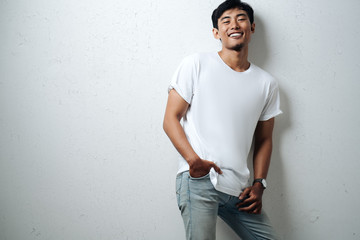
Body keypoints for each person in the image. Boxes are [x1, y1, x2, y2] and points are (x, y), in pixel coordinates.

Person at [163, 0, 282, 239]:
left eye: (241, 18)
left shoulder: (266, 83)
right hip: (199, 179)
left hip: (240, 190)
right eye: (225, 20)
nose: (234, 24)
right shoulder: (196, 64)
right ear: (216, 32)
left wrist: (259, 184)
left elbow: (265, 139)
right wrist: (193, 162)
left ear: (252, 27)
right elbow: (170, 119)